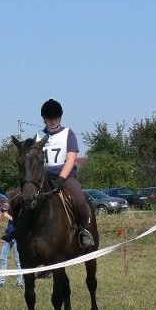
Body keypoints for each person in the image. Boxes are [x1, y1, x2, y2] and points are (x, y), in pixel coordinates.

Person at [37, 98, 94, 247]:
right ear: (44, 119)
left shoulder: (68, 133)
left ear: (60, 117)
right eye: (50, 118)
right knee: (23, 198)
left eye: (55, 117)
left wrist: (61, 178)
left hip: (65, 176)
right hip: (43, 177)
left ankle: (84, 231)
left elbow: (71, 158)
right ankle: (21, 230)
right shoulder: (38, 136)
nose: (53, 121)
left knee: (80, 200)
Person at [0, 206, 23, 288]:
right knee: (2, 259)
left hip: (17, 237)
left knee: (18, 261)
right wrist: (3, 208)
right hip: (7, 236)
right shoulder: (12, 208)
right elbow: (3, 208)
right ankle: (1, 282)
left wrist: (8, 216)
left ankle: (19, 283)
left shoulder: (23, 209)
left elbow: (20, 222)